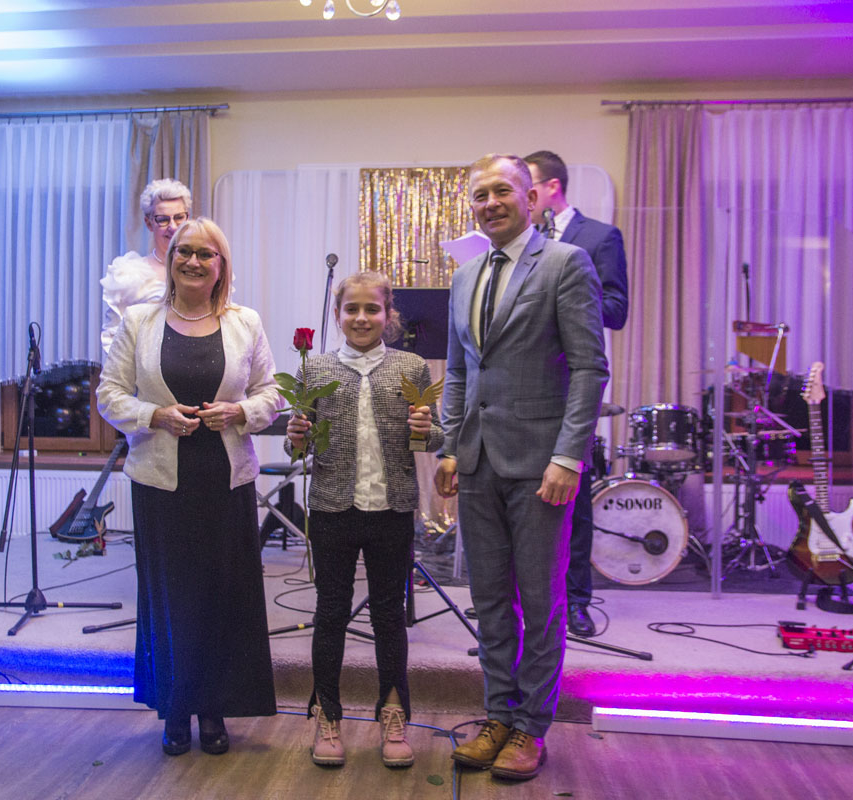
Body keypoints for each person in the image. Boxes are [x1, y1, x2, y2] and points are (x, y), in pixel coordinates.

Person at [435, 154, 608, 781]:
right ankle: (498, 715)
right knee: (489, 601)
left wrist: (568, 456)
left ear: (531, 198)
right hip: (478, 461)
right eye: (480, 194)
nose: (490, 203)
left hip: (542, 466)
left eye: (502, 190)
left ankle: (532, 726)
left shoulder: (566, 263)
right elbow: (460, 372)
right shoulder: (465, 276)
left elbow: (589, 368)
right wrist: (450, 447)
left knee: (540, 600)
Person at [97, 217, 280, 757]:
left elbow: (271, 393)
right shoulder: (140, 320)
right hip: (161, 484)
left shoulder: (245, 322)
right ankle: (176, 708)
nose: (193, 261)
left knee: (222, 597)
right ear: (170, 258)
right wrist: (154, 415)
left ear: (221, 266)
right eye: (184, 251)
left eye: (206, 253)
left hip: (226, 481)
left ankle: (214, 707)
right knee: (171, 598)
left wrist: (240, 411)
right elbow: (109, 394)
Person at [285, 272, 443, 770]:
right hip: (332, 508)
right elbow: (298, 450)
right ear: (337, 315)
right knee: (330, 613)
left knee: (389, 616)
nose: (361, 318)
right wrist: (296, 436)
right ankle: (327, 715)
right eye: (351, 309)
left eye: (372, 309)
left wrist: (425, 428)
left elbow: (433, 439)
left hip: (391, 508)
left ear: (388, 314)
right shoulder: (314, 369)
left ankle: (393, 712)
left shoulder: (411, 366)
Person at [524, 149, 630, 639]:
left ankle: (577, 601)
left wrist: (563, 294)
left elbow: (617, 309)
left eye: (528, 186)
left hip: (571, 380)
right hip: (523, 380)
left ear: (552, 187)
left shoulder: (599, 236)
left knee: (573, 498)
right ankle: (517, 599)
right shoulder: (522, 239)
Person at [100, 178, 192, 354]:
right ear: (149, 223)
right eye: (163, 220)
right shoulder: (130, 275)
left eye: (179, 217)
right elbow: (113, 338)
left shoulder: (204, 271)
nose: (173, 227)